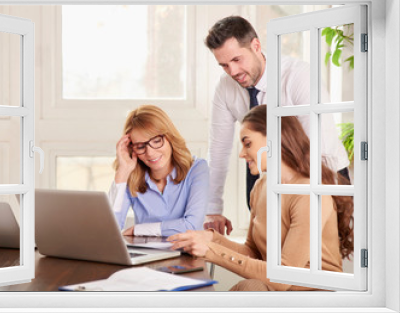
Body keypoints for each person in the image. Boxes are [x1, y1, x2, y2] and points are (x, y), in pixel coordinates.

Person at [168, 105, 354, 291]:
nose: (241, 153)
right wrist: (211, 238)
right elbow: (253, 252)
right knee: (249, 288)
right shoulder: (261, 187)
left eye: (247, 143)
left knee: (249, 289)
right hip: (279, 290)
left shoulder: (309, 193)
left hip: (313, 295)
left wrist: (211, 251)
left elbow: (284, 277)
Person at [203, 16, 350, 234]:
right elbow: (218, 151)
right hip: (264, 173)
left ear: (256, 46)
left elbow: (319, 148)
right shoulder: (225, 88)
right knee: (266, 251)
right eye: (224, 65)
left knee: (315, 256)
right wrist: (213, 208)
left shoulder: (298, 76)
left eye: (237, 60)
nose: (232, 72)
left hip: (320, 170)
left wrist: (312, 201)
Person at [108, 105, 209, 237]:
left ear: (169, 138)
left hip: (187, 256)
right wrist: (122, 172)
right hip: (146, 256)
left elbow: (192, 226)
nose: (150, 153)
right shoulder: (131, 177)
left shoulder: (197, 169)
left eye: (156, 141)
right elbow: (109, 230)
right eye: (140, 146)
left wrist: (139, 230)